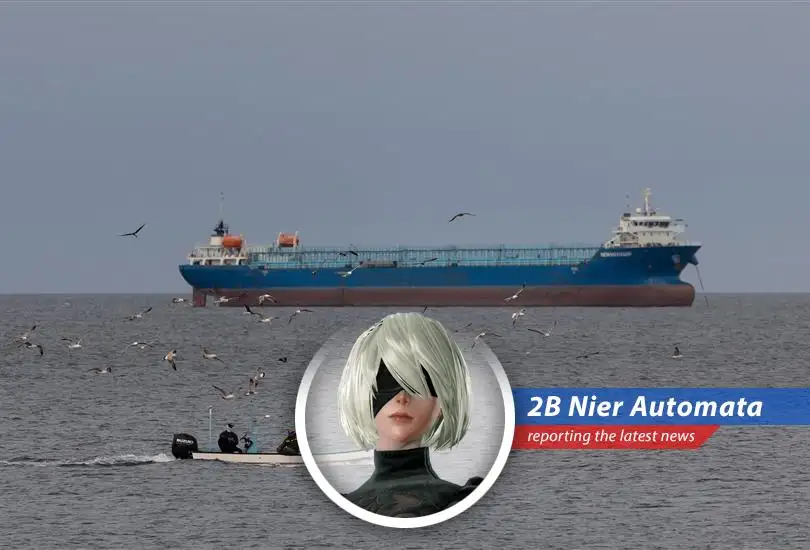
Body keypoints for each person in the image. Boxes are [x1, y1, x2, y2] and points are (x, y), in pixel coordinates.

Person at [336, 312, 482, 518]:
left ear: (444, 397)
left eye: (421, 381)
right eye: (386, 379)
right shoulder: (336, 507)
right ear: (361, 390)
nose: (402, 397)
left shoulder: (468, 501)